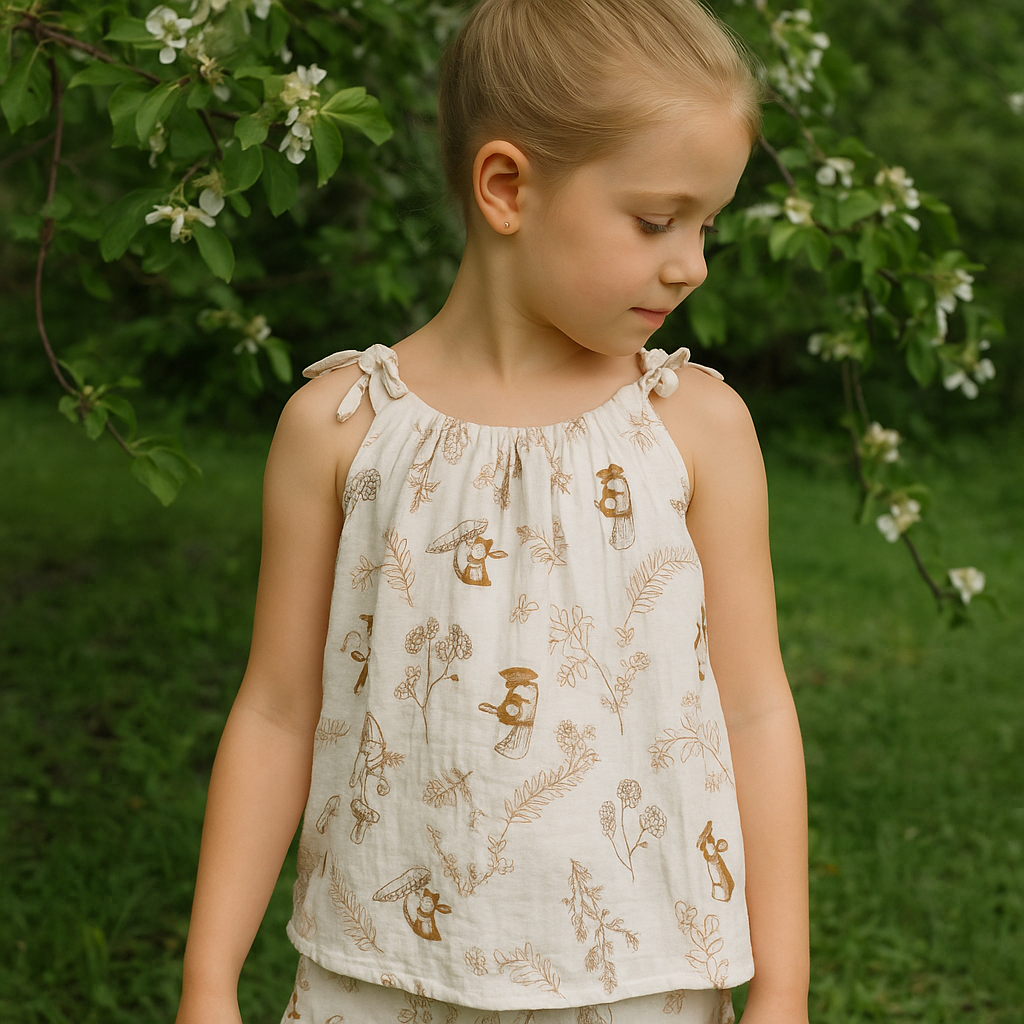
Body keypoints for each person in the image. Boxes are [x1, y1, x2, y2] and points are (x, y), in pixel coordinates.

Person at [174, 1, 809, 1022]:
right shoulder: (342, 429)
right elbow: (278, 710)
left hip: (639, 980)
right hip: (378, 978)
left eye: (707, 224)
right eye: (657, 220)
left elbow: (754, 710)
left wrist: (782, 986)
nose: (690, 261)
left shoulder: (692, 427)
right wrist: (208, 984)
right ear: (507, 187)